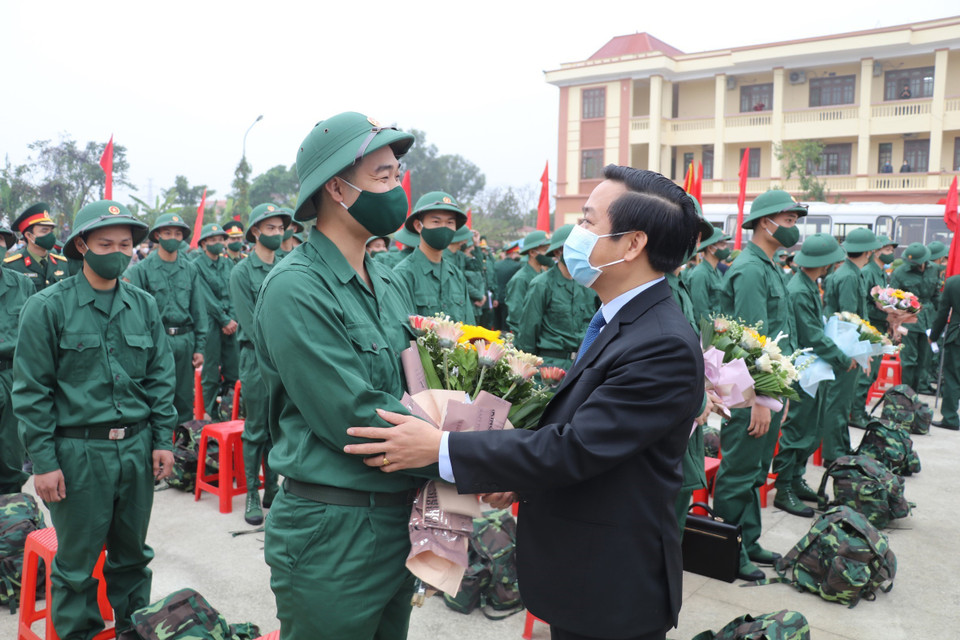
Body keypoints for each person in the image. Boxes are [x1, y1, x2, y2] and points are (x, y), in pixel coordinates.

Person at [345, 165, 704, 640]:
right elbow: (583, 435)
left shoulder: (661, 343)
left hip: (611, 586)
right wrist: (515, 476)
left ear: (633, 244)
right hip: (587, 574)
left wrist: (440, 447)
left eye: (588, 222)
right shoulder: (625, 320)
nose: (575, 235)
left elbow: (575, 447)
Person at [253, 112, 440, 640]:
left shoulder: (386, 279)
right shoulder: (296, 288)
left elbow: (419, 385)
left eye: (397, 174)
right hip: (333, 529)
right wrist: (469, 455)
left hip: (397, 515)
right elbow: (356, 417)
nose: (397, 188)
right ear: (337, 189)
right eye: (383, 176)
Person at [13, 200, 176, 639]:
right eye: (106, 244)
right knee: (76, 568)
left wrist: (163, 440)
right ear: (82, 246)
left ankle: (133, 631)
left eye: (125, 244)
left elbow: (161, 378)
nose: (118, 253)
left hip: (137, 448)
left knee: (133, 559)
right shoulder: (48, 306)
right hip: (79, 454)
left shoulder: (143, 305)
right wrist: (44, 462)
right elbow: (31, 392)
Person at [714, 189, 804, 581]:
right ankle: (728, 552)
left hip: (767, 388)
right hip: (749, 392)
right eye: (788, 221)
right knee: (738, 472)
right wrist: (761, 399)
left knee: (754, 471)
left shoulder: (768, 266)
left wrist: (776, 392)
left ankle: (747, 541)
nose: (793, 228)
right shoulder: (751, 270)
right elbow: (752, 342)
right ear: (765, 223)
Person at [771, 234, 855, 516]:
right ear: (826, 263)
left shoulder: (807, 284)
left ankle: (795, 479)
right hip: (802, 369)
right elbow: (812, 335)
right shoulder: (799, 290)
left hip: (811, 367)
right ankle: (784, 487)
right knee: (797, 428)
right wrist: (841, 358)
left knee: (811, 427)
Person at [229, 202, 289, 525]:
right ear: (255, 232)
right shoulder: (241, 272)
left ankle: (272, 488)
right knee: (255, 429)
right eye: (270, 228)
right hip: (256, 358)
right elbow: (250, 323)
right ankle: (252, 492)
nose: (277, 234)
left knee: (277, 425)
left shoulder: (286, 266)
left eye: (280, 228)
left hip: (284, 358)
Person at [124, 213, 208, 424]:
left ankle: (184, 439)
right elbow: (136, 314)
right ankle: (158, 438)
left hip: (185, 339)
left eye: (178, 234)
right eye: (168, 233)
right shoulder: (142, 270)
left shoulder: (190, 269)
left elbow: (199, 309)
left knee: (184, 396)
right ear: (157, 236)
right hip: (157, 340)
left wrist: (200, 347)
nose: (173, 237)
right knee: (157, 393)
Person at [820, 228, 881, 463]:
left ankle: (841, 447)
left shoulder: (851, 273)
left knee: (842, 401)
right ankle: (834, 453)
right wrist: (860, 351)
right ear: (868, 252)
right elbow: (849, 320)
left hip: (846, 344)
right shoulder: (849, 276)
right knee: (838, 402)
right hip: (845, 346)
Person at [515, 224, 598, 370]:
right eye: (573, 247)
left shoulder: (590, 284)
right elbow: (528, 332)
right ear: (558, 252)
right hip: (551, 365)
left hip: (583, 363)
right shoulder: (541, 285)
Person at [392, 191, 473, 323]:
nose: (444, 228)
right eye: (436, 221)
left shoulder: (457, 275)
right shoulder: (403, 274)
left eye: (450, 222)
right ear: (418, 226)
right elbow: (399, 327)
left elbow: (469, 325)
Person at [0, 225, 34, 493]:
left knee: (10, 459)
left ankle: (10, 511)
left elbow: (36, 336)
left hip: (12, 378)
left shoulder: (22, 284)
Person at [194, 223, 239, 420]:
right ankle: (211, 414)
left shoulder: (228, 264)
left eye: (221, 239)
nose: (218, 243)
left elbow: (233, 292)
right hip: (210, 323)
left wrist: (232, 318)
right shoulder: (196, 265)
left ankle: (230, 412)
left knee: (234, 369)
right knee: (211, 373)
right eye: (213, 240)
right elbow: (205, 297)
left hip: (231, 324)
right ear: (204, 244)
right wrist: (224, 319)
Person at [852, 235, 897, 426]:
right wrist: (886, 317)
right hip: (870, 329)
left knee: (872, 373)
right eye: (886, 250)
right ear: (875, 252)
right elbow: (864, 306)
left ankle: (859, 410)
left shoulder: (881, 272)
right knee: (865, 374)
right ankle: (855, 413)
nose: (890, 253)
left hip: (879, 329)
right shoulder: (868, 272)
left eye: (892, 250)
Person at [890, 243, 934, 391]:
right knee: (909, 359)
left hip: (929, 319)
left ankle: (918, 390)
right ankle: (906, 391)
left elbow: (937, 295)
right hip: (908, 320)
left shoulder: (933, 270)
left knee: (925, 358)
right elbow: (893, 299)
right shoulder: (899, 273)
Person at [5, 202, 69, 293]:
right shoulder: (12, 266)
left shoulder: (62, 263)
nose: (50, 235)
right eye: (44, 231)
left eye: (51, 231)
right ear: (29, 236)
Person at [503, 230, 551, 333]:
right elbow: (517, 316)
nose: (549, 254)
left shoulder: (544, 275)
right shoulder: (520, 279)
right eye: (545, 250)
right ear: (532, 253)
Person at [930, 274, 960, 430]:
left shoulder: (953, 282)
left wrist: (934, 335)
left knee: (953, 378)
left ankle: (950, 417)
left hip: (957, 337)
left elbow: (943, 312)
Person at [686, 226, 732, 325]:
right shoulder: (700, 274)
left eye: (726, 244)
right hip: (707, 331)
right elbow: (701, 314)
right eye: (722, 244)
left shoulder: (717, 272)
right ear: (710, 248)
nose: (726, 248)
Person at [492, 241, 522, 329]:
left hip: (497, 298)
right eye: (517, 253)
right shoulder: (517, 266)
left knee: (497, 326)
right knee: (506, 327)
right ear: (512, 254)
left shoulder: (496, 264)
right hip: (509, 299)